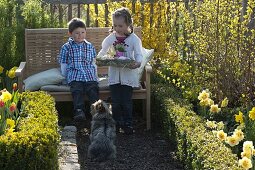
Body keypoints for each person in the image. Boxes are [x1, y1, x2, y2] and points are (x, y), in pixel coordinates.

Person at [97, 7, 143, 134]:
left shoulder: (134, 39)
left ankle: (128, 124)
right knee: (116, 102)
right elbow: (103, 51)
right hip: (114, 76)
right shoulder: (111, 38)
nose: (117, 28)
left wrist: (137, 63)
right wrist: (99, 59)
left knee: (126, 101)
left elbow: (139, 54)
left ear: (128, 24)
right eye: (115, 25)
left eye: (120, 25)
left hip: (128, 76)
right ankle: (117, 123)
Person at [58, 18, 99, 122]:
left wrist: (96, 76)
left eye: (82, 32)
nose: (80, 35)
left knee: (93, 89)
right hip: (75, 75)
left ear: (86, 32)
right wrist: (65, 77)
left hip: (89, 75)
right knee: (77, 90)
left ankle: (95, 111)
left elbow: (93, 63)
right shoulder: (66, 47)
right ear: (70, 33)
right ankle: (79, 111)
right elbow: (64, 63)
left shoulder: (89, 46)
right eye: (77, 33)